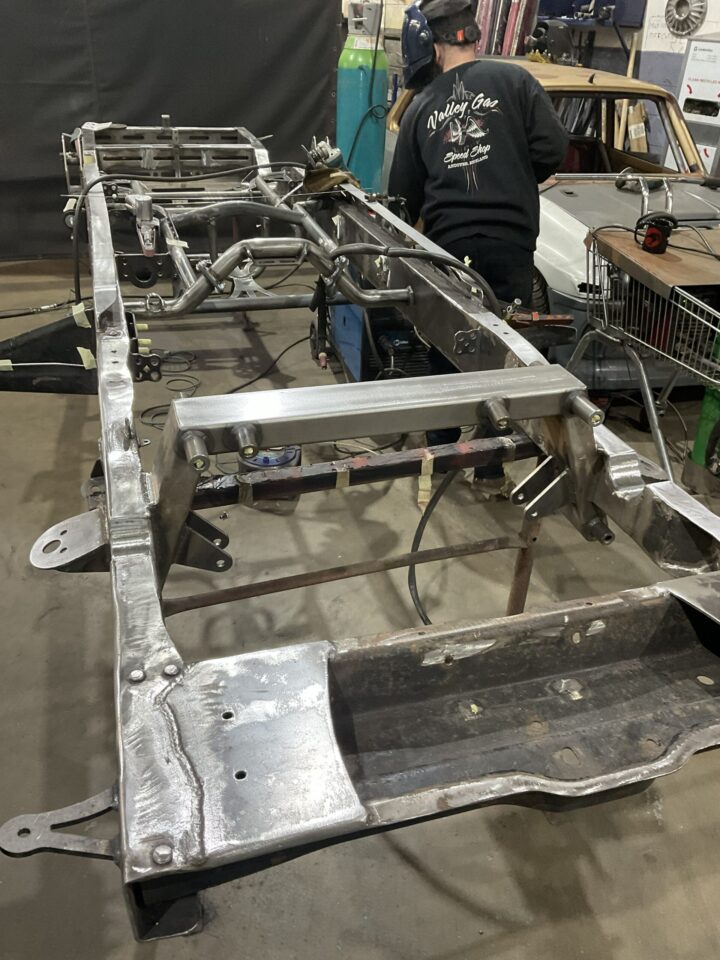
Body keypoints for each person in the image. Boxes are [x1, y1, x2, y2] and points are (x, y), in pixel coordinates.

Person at [389, 0, 569, 307]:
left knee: (454, 332)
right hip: (511, 245)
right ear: (473, 37)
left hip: (450, 250)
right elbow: (553, 148)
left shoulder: (419, 107)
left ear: (432, 47)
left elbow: (402, 200)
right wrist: (515, 172)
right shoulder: (517, 81)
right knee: (510, 331)